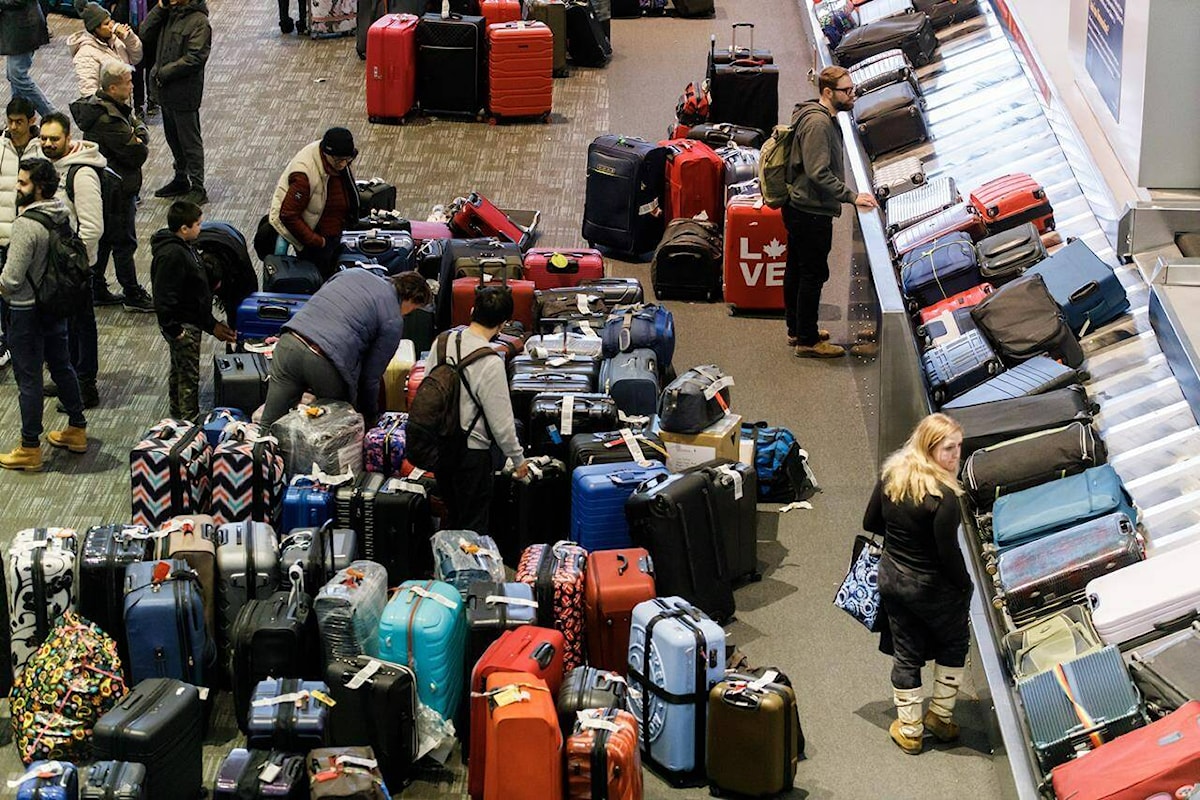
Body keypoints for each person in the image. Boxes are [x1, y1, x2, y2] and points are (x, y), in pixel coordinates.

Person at [862, 413, 971, 755]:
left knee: (906, 652)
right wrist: (964, 586)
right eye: (949, 448)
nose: (956, 456)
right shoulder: (944, 498)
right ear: (930, 447)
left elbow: (870, 521)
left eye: (959, 447)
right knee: (954, 644)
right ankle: (939, 717)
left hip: (893, 579)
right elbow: (947, 552)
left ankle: (909, 729)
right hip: (932, 587)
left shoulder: (893, 474)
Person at [0, 158, 90, 471]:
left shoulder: (26, 225)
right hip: (56, 303)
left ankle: (29, 447)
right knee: (62, 364)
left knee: (29, 379)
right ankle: (77, 428)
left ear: (38, 188)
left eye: (23, 183)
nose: (17, 187)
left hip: (27, 311)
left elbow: (12, 280)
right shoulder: (60, 211)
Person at [784, 65, 878, 359]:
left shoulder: (813, 114)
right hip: (810, 210)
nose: (853, 95)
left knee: (798, 269)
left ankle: (798, 329)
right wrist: (851, 196)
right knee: (812, 274)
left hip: (800, 207)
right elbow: (817, 173)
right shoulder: (819, 125)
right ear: (828, 92)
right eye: (846, 91)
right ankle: (808, 341)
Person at [259, 270, 431, 427]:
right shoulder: (393, 319)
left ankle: (261, 456)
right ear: (411, 299)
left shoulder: (353, 273)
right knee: (337, 434)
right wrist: (369, 417)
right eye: (412, 310)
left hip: (290, 342)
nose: (407, 314)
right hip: (325, 361)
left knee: (270, 423)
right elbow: (370, 378)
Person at [423, 287, 530, 533]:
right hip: (471, 453)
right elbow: (501, 422)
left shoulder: (442, 341)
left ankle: (447, 564)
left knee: (451, 514)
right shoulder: (489, 361)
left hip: (439, 447)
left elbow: (428, 387)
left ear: (472, 311)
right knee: (473, 526)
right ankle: (469, 570)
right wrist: (518, 459)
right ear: (503, 325)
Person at [70, 61, 155, 311]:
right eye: (128, 82)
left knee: (106, 239)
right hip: (116, 189)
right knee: (123, 242)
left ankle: (97, 288)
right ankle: (131, 293)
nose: (132, 86)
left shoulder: (111, 108)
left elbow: (138, 126)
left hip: (109, 186)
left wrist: (136, 130)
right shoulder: (109, 118)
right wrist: (137, 134)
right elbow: (137, 153)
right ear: (113, 87)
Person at [40, 112, 106, 408]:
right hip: (54, 268)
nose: (48, 143)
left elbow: (92, 227)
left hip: (77, 269)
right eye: (43, 138)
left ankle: (86, 386)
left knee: (81, 326)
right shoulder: (48, 166)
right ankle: (69, 378)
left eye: (54, 139)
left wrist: (71, 259)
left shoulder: (82, 173)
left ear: (68, 137)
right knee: (65, 327)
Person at [150, 199, 235, 421]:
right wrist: (174, 330)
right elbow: (163, 297)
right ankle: (188, 424)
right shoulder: (172, 255)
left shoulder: (184, 248)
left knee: (179, 372)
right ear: (184, 228)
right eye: (197, 224)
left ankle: (177, 418)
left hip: (189, 322)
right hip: (183, 325)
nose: (200, 228)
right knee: (188, 377)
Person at [140, 0, 212, 207]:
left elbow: (195, 58)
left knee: (190, 141)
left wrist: (164, 72)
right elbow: (145, 32)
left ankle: (198, 187)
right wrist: (160, 7)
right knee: (173, 138)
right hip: (164, 91)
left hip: (184, 92)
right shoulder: (168, 13)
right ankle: (181, 178)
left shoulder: (199, 22)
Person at [268, 127, 361, 280]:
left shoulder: (335, 161)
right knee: (321, 279)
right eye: (339, 160)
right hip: (315, 239)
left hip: (334, 232)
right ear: (327, 153)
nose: (344, 164)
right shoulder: (304, 176)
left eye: (347, 159)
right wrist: (317, 241)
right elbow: (288, 214)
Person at [1, 97, 43, 368]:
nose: (14, 127)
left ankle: (32, 346)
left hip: (31, 237)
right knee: (4, 293)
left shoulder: (41, 152)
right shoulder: (0, 148)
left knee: (33, 296)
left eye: (19, 122)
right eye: (10, 121)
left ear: (32, 121)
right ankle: (7, 342)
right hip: (3, 234)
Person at [68, 0, 144, 100]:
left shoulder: (116, 40)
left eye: (111, 21)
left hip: (124, 105)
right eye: (106, 24)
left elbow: (136, 58)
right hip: (110, 109)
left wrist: (129, 37)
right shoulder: (86, 54)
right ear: (95, 29)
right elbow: (88, 91)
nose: (111, 26)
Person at [0, 0, 55, 120]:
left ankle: (52, 116)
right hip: (17, 28)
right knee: (14, 76)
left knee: (17, 76)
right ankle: (18, 117)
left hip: (23, 28)